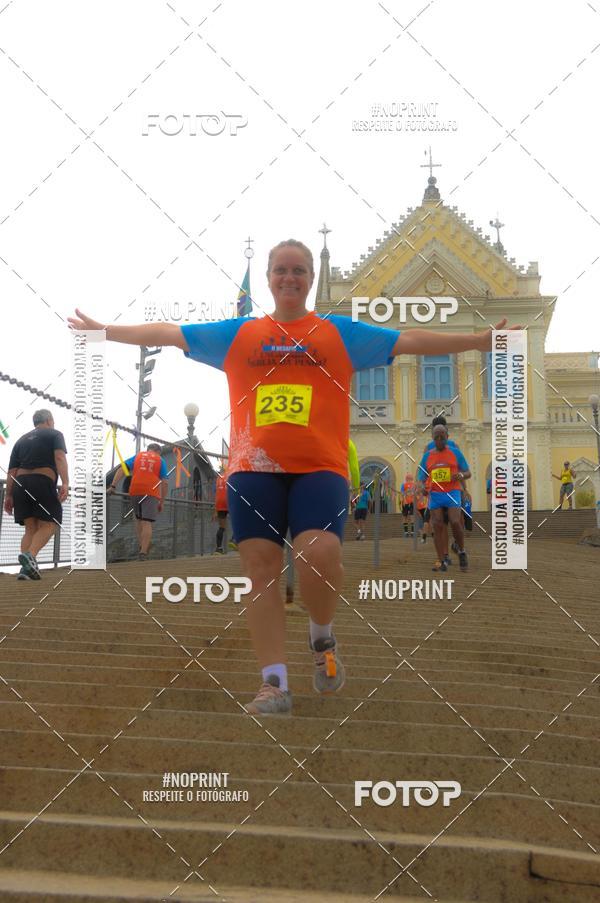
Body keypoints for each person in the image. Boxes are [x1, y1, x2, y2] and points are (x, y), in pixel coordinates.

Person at [69, 238, 518, 715]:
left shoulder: (337, 332)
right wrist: (106, 332)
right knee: (260, 571)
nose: (289, 278)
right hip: (253, 470)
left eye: (299, 270)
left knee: (318, 553)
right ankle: (274, 683)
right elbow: (172, 331)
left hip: (318, 469)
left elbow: (407, 340)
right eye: (281, 270)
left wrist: (477, 341)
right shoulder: (239, 334)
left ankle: (321, 638)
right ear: (269, 278)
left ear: (310, 279)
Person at [4, 410, 69, 580]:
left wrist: (8, 496)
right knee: (51, 523)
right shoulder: (55, 434)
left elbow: (12, 471)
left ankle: (26, 570)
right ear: (49, 420)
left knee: (30, 528)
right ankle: (30, 556)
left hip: (20, 484)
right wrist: (66, 482)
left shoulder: (21, 440)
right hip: (42, 481)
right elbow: (60, 457)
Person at [418, 423, 471, 572]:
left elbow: (467, 472)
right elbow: (421, 476)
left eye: (443, 437)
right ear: (432, 439)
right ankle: (441, 560)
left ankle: (461, 551)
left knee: (455, 521)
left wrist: (460, 475)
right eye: (437, 438)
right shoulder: (427, 456)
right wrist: (422, 486)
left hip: (452, 492)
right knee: (437, 525)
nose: (440, 440)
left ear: (447, 437)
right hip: (435, 494)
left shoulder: (455, 453)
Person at [109, 443, 167, 560]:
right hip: (151, 492)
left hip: (135, 490)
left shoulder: (138, 456)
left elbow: (122, 469)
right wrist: (161, 502)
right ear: (158, 452)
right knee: (147, 522)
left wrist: (113, 486)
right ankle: (143, 552)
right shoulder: (160, 460)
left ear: (148, 449)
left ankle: (141, 546)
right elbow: (165, 483)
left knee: (138, 519)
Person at [400, 473, 415, 537]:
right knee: (409, 517)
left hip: (410, 502)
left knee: (407, 517)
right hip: (407, 502)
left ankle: (409, 532)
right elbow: (402, 493)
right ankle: (409, 532)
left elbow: (402, 493)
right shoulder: (404, 485)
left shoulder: (413, 485)